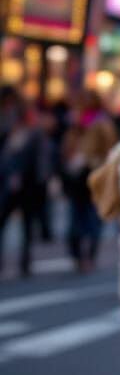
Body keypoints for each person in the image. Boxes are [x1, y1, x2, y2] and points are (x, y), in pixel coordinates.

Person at [60, 91, 119, 272]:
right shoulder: (75, 124)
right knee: (75, 222)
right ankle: (78, 255)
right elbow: (66, 147)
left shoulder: (102, 123)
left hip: (93, 177)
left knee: (92, 219)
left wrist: (90, 161)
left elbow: (110, 151)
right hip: (76, 179)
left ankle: (89, 256)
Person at [0, 93, 54, 276]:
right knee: (6, 222)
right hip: (11, 187)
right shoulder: (12, 132)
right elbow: (5, 159)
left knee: (27, 226)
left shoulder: (34, 134)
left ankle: (25, 261)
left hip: (29, 187)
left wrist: (41, 182)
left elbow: (41, 160)